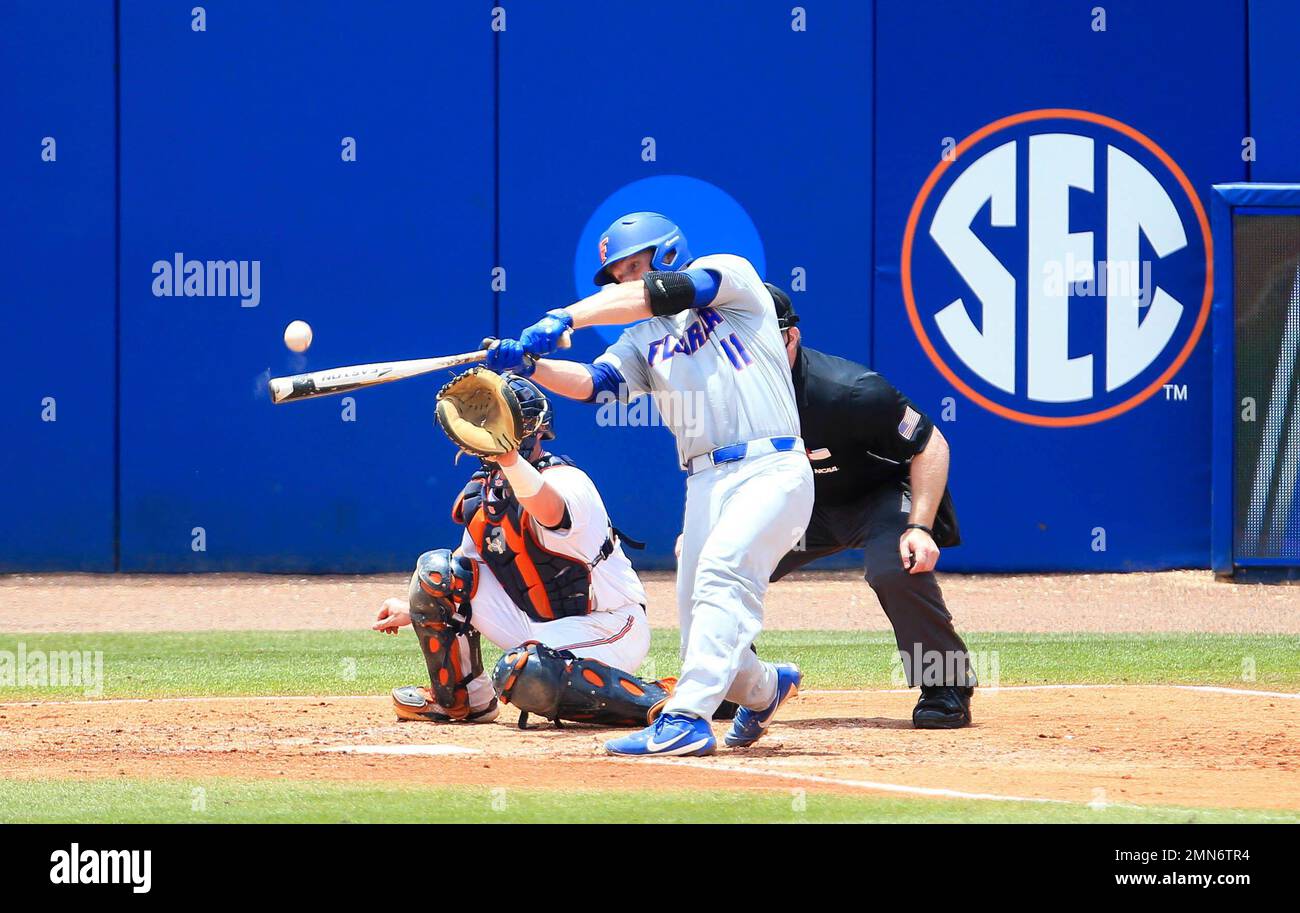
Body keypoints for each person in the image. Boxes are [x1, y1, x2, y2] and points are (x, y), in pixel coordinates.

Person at [486, 212, 813, 756]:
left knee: (721, 577)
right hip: (705, 481)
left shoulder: (728, 276)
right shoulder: (643, 340)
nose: (625, 281)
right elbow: (596, 385)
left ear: (665, 256)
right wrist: (530, 366)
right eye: (617, 274)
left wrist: (566, 315)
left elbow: (668, 293)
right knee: (701, 625)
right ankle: (763, 688)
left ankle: (685, 718)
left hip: (770, 465)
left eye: (632, 267)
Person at [373, 372, 671, 730]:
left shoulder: (567, 480)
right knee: (436, 574)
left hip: (608, 625)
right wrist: (418, 609)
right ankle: (463, 702)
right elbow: (466, 574)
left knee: (526, 674)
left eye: (512, 423)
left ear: (538, 429)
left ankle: (664, 699)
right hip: (536, 625)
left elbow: (550, 511)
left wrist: (510, 458)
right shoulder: (483, 493)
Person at [765, 283, 976, 727]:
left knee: (893, 568)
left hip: (877, 497)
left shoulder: (850, 390)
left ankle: (946, 682)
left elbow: (930, 444)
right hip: (802, 506)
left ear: (793, 337)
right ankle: (732, 681)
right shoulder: (730, 399)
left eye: (772, 338)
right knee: (718, 565)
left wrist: (919, 525)